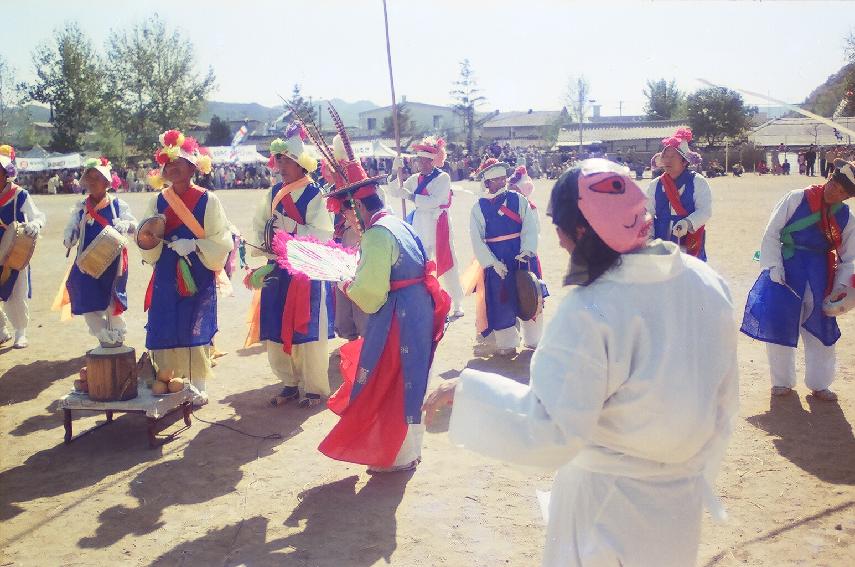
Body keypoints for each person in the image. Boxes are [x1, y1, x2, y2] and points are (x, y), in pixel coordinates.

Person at [423, 158, 738, 567]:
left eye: (562, 231)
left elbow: (553, 428)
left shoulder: (591, 310)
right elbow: (725, 401)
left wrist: (470, 390)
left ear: (584, 231)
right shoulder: (708, 282)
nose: (558, 243)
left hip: (607, 510)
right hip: (680, 503)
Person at [319, 151, 450, 473]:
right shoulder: (398, 223)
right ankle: (409, 449)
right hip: (417, 307)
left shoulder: (377, 234)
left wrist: (348, 284)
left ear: (359, 207)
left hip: (397, 314)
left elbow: (371, 292)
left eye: (347, 214)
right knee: (413, 374)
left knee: (390, 379)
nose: (347, 221)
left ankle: (396, 454)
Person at [741, 159, 855, 402]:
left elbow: (850, 257)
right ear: (830, 177)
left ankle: (820, 383)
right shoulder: (796, 198)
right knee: (780, 323)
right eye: (833, 183)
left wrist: (841, 287)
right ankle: (781, 382)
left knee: (821, 329)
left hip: (821, 272)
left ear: (847, 197)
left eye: (841, 191)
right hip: (787, 266)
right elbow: (771, 233)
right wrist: (773, 266)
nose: (833, 190)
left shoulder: (846, 217)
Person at [139, 130, 232, 405]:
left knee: (194, 321)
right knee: (165, 319)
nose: (173, 167)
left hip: (198, 269)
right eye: (169, 164)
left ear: (193, 167)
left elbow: (222, 239)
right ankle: (167, 379)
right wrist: (151, 240)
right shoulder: (157, 201)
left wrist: (195, 245)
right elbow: (146, 235)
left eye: (180, 162)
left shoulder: (208, 200)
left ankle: (199, 384)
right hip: (166, 270)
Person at [251, 124, 335, 408]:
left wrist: (294, 229)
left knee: (308, 328)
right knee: (275, 323)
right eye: (279, 160)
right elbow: (260, 222)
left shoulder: (316, 194)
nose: (281, 166)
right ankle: (288, 382)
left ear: (301, 163)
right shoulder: (274, 191)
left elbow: (324, 233)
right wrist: (265, 238)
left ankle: (314, 387)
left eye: (286, 160)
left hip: (306, 270)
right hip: (278, 267)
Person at [58, 157, 137, 345]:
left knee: (112, 301)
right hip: (86, 263)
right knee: (84, 295)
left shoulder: (118, 206)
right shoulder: (80, 208)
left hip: (114, 262)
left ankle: (118, 336)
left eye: (97, 177)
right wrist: (69, 236)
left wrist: (127, 224)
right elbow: (71, 229)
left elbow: (135, 225)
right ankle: (102, 334)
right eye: (89, 178)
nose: (93, 182)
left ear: (107, 182)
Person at [466, 158, 540, 356]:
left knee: (529, 294)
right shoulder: (478, 208)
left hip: (520, 255)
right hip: (497, 258)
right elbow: (477, 240)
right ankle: (507, 343)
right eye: (496, 180)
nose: (501, 183)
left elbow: (529, 227)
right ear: (487, 183)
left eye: (503, 179)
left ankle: (533, 339)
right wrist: (491, 263)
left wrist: (527, 250)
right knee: (501, 299)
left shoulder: (518, 200)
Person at [385, 136, 465, 318]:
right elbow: (396, 191)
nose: (422, 164)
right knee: (421, 262)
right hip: (420, 222)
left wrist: (411, 197)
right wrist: (393, 171)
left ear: (433, 160)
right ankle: (425, 300)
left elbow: (434, 201)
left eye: (426, 160)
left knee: (447, 260)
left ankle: (457, 302)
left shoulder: (443, 178)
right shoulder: (415, 179)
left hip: (438, 222)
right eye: (419, 160)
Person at [0, 145, 46, 348]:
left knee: (16, 293)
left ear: (6, 173)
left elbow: (38, 216)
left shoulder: (20, 194)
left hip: (15, 250)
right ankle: (2, 329)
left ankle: (21, 332)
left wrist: (34, 225)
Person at [647, 127, 711, 260]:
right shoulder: (655, 184)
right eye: (665, 156)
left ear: (684, 161)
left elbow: (704, 211)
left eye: (672, 156)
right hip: (661, 237)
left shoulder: (697, 181)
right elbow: (647, 213)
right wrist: (650, 238)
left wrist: (688, 223)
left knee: (690, 273)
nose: (667, 160)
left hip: (689, 236)